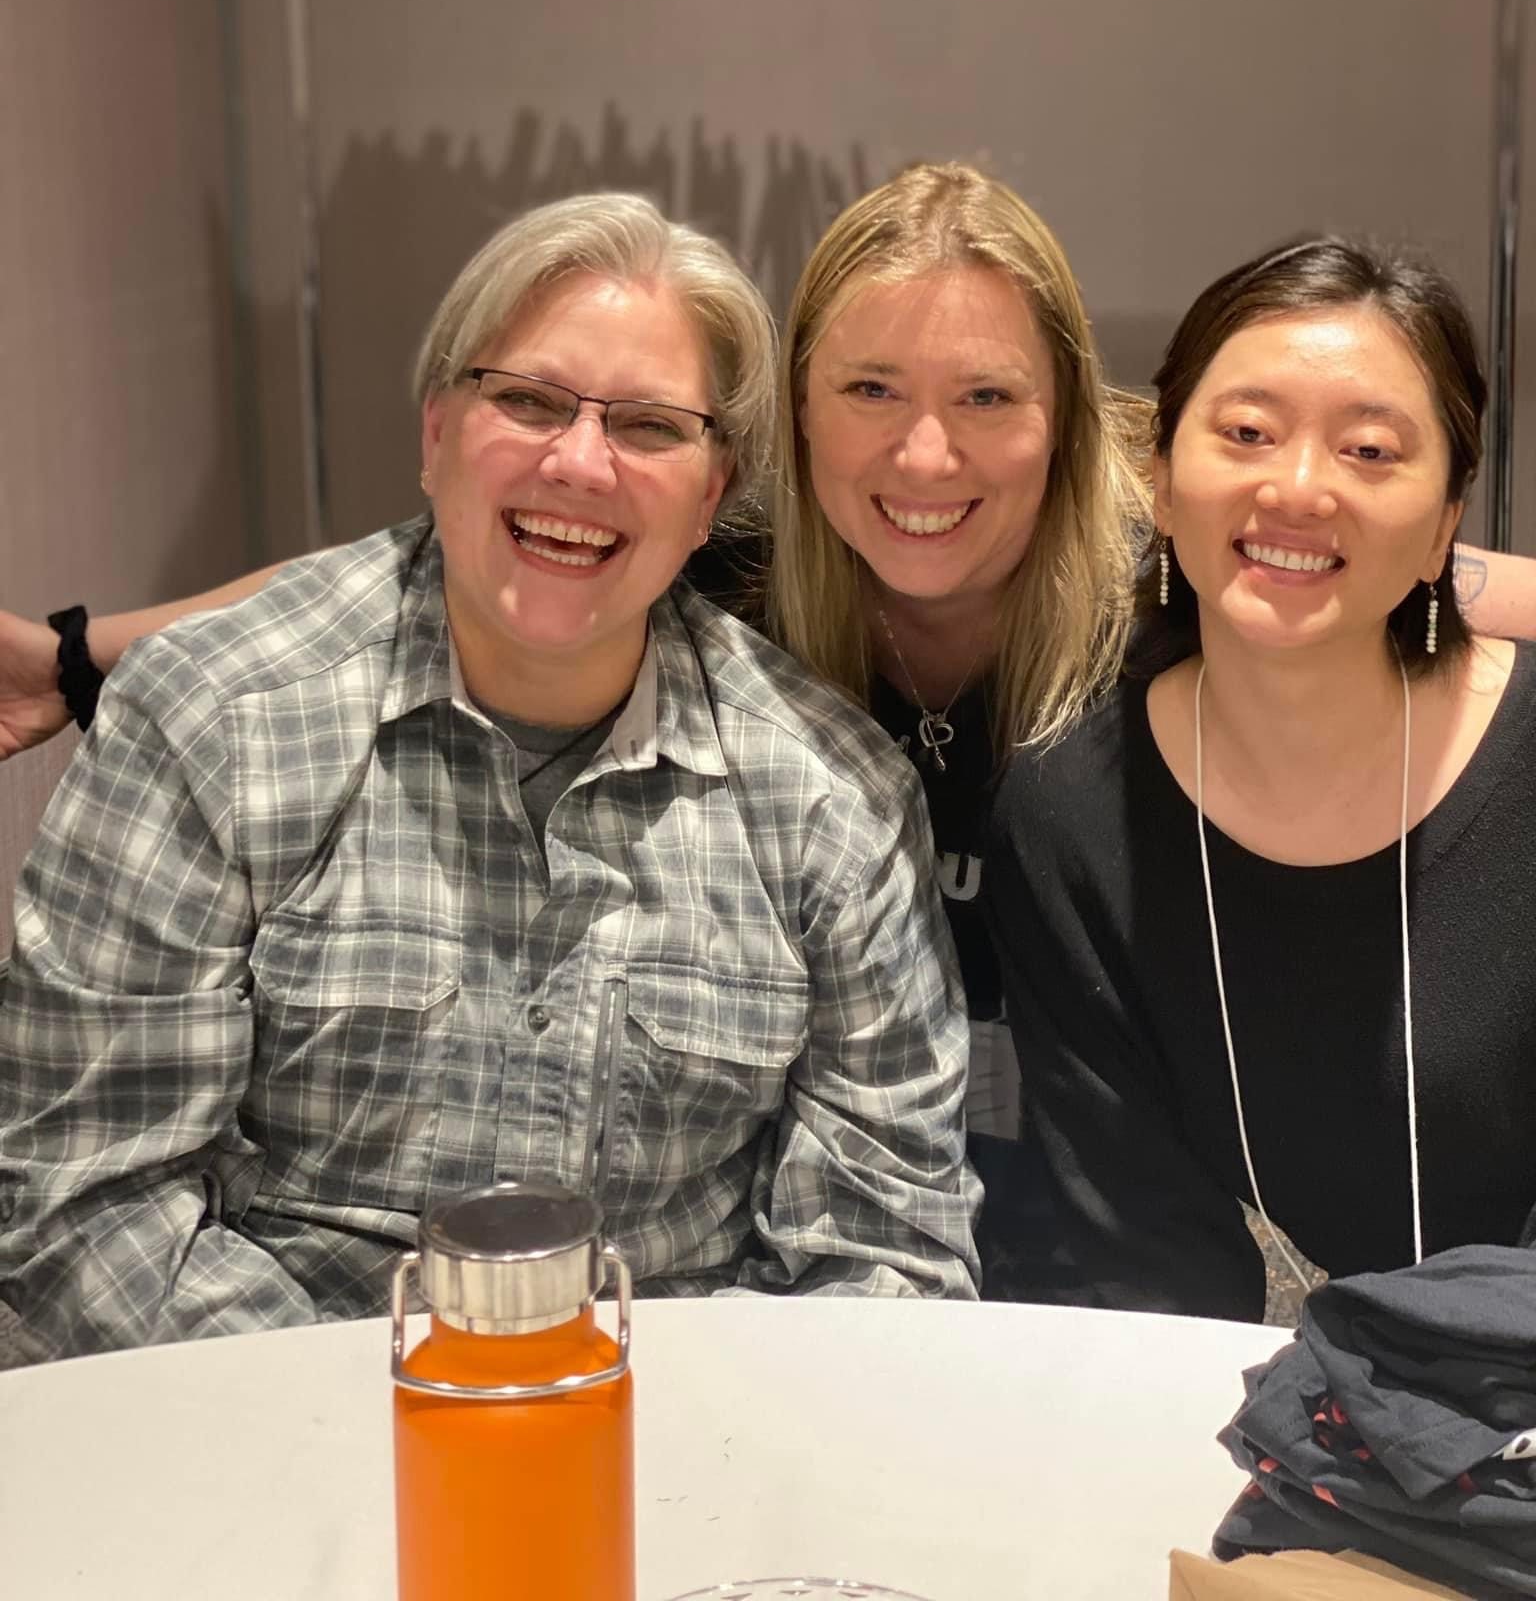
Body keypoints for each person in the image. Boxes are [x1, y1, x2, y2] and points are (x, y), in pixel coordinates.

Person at [6, 166, 1536, 1299]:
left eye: (988, 397)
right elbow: (436, 557)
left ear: (1074, 423)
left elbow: (1378, 557)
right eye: (868, 388)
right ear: (788, 427)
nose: (922, 452)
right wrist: (94, 656)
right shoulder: (715, 569)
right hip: (354, 1388)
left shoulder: (1184, 565)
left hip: (1003, 1236)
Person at [0, 194, 981, 1360]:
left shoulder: (834, 800)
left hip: (666, 1465)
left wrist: (608, 1436)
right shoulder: (212, 721)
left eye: (652, 426)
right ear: (435, 434)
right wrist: (431, 1420)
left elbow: (889, 1258)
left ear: (713, 492)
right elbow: (80, 1201)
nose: (578, 461)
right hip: (258, 1438)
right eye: (527, 399)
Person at [987, 237, 1536, 1322]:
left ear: (1443, 525)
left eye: (1371, 451)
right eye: (1246, 432)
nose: (1297, 487)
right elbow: (1131, 1248)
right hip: (1216, 1420)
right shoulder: (1070, 816)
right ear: (1161, 476)